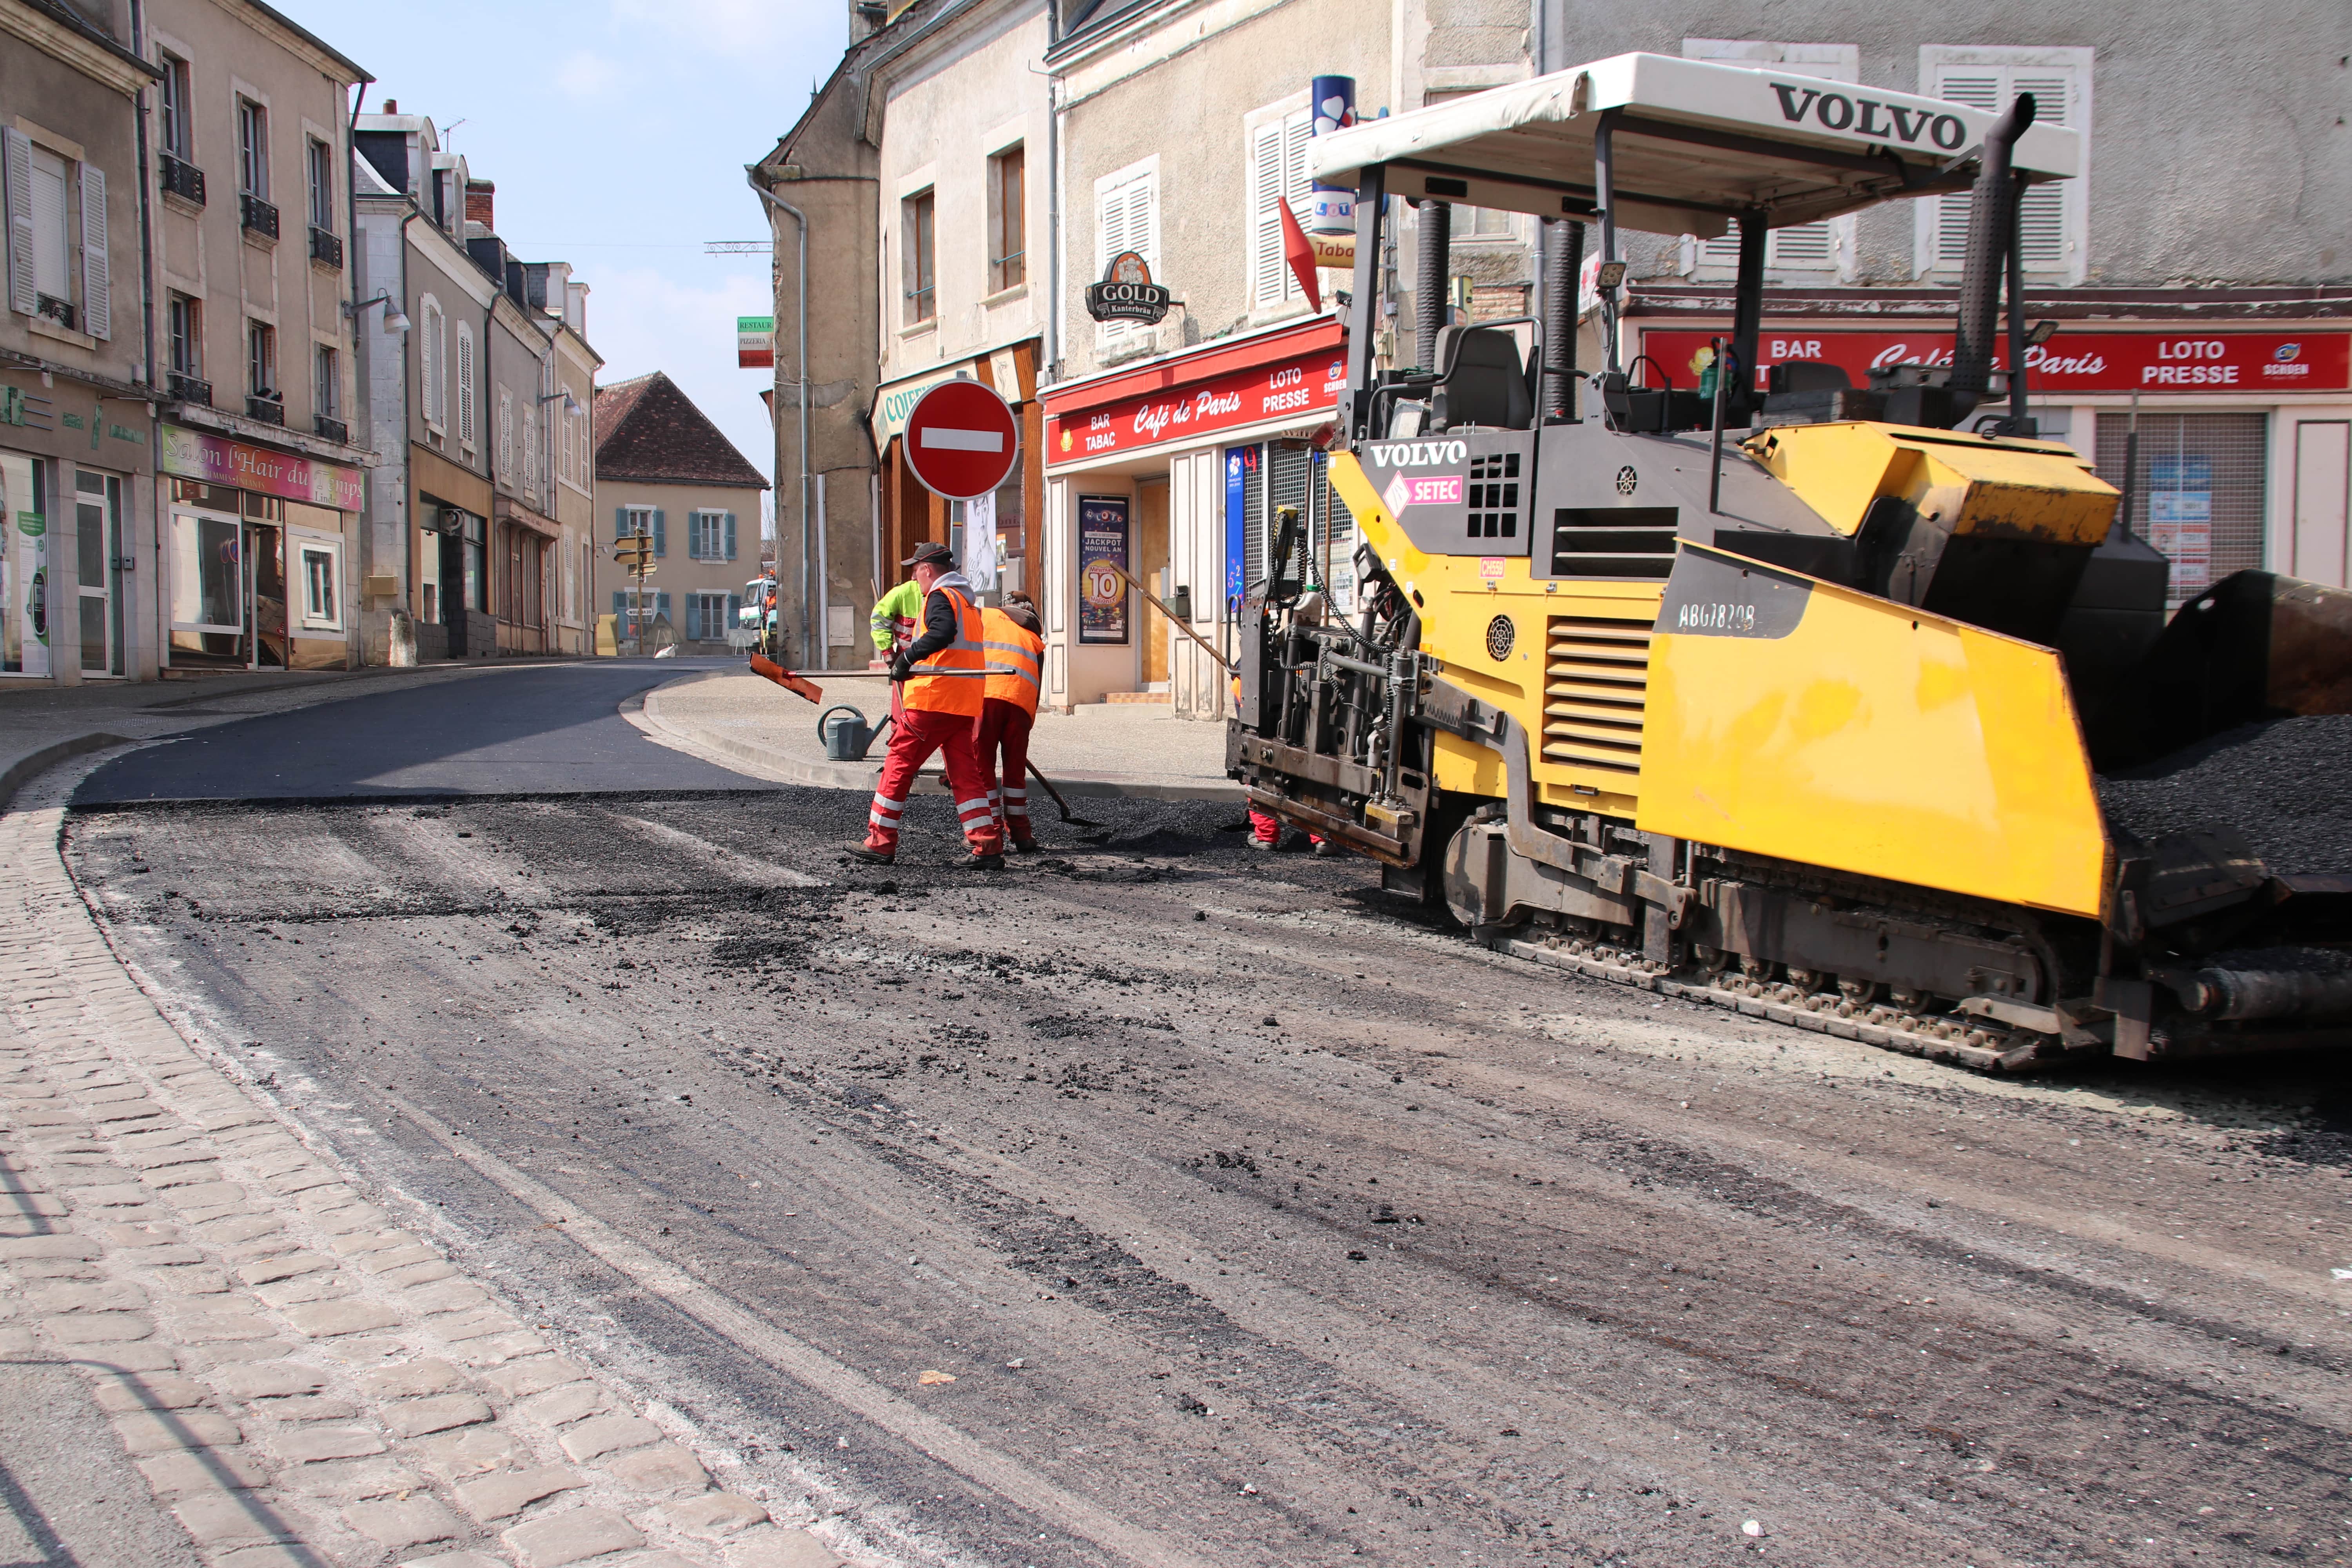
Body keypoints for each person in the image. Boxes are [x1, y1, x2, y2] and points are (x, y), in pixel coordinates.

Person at [846, 543, 1005, 868]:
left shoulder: (940, 596)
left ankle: (880, 841)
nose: (915, 577)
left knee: (899, 765)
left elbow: (943, 633)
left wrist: (906, 658)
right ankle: (987, 844)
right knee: (965, 774)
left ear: (928, 570)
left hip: (933, 699)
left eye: (916, 570)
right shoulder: (967, 603)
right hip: (962, 702)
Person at [976, 591, 1045, 851]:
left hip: (987, 696)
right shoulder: (1033, 635)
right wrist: (1025, 720)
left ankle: (991, 832)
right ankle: (1022, 834)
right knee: (1014, 771)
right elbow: (1038, 683)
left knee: (982, 769)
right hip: (1021, 704)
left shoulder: (985, 616)